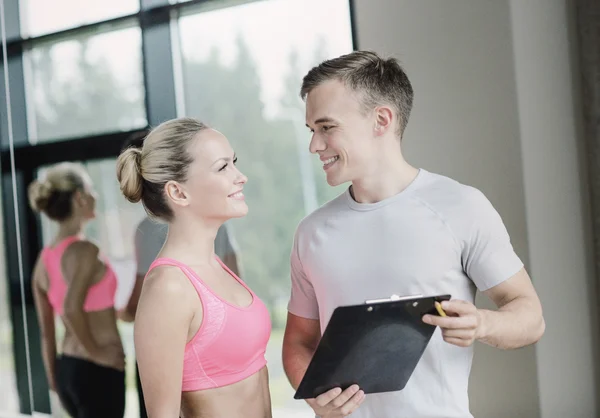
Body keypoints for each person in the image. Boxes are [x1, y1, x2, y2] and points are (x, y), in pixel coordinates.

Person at [282, 50, 546, 418]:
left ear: (381, 120)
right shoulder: (310, 233)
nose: (314, 145)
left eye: (327, 127)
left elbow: (530, 316)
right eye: (312, 131)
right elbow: (298, 342)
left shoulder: (461, 206)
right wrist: (312, 394)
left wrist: (482, 323)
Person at [116, 117, 272, 418]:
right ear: (178, 193)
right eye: (223, 167)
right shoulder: (169, 287)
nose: (241, 177)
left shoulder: (213, 265)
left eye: (234, 162)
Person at [28, 162, 125, 418]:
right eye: (92, 189)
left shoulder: (43, 260)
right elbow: (71, 309)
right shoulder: (85, 250)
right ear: (80, 197)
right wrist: (99, 354)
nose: (96, 196)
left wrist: (54, 378)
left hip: (67, 369)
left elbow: (46, 332)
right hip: (97, 370)